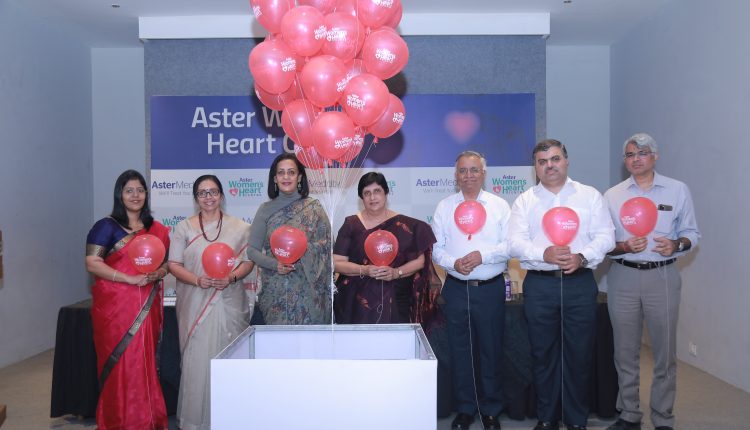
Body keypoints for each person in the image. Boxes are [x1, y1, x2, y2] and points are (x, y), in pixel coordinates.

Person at [507, 140, 615, 430]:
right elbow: (514, 242)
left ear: (566, 161)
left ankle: (576, 420)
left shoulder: (589, 196)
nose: (549, 165)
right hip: (540, 286)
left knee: (579, 355)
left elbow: (606, 237)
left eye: (555, 159)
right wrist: (543, 253)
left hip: (579, 284)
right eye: (542, 161)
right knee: (543, 354)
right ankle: (547, 418)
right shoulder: (525, 201)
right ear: (535, 167)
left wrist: (583, 256)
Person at [603, 133, 700, 430]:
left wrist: (676, 244)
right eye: (630, 154)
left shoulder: (677, 190)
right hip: (623, 276)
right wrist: (622, 246)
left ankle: (663, 416)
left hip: (663, 276)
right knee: (624, 352)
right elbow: (603, 243)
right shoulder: (612, 195)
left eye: (643, 153)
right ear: (625, 160)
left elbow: (692, 234)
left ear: (655, 156)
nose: (636, 159)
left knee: (664, 353)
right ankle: (629, 413)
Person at [167, 174, 255, 430]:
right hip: (195, 302)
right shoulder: (184, 228)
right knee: (197, 363)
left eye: (213, 191)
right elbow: (174, 264)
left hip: (229, 301)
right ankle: (196, 421)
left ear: (222, 195)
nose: (208, 197)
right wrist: (197, 280)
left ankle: (231, 419)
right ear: (196, 198)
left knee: (229, 361)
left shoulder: (240, 228)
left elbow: (248, 262)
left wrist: (231, 277)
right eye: (203, 193)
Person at [84, 170, 170, 430]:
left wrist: (158, 273)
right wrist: (127, 278)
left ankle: (148, 420)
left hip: (147, 306)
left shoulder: (156, 229)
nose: (135, 195)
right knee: (122, 363)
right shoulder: (106, 226)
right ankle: (119, 422)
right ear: (119, 194)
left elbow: (166, 265)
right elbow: (92, 263)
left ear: (146, 194)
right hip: (116, 310)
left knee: (144, 362)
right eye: (129, 190)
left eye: (140, 190)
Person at [431, 151, 511, 430]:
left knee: (491, 350)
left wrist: (482, 256)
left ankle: (491, 410)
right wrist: (453, 263)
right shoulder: (444, 207)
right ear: (456, 175)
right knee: (460, 350)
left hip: (489, 288)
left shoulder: (499, 206)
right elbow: (436, 249)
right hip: (455, 288)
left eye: (474, 170)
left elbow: (509, 245)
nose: (468, 176)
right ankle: (465, 409)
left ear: (484, 173)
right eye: (463, 171)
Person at [333, 172, 438, 325]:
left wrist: (396, 272)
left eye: (377, 191)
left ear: (386, 193)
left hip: (396, 301)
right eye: (367, 193)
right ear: (361, 198)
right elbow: (337, 262)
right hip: (356, 303)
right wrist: (364, 270)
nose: (372, 197)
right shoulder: (351, 225)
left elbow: (421, 261)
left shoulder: (406, 225)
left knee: (395, 340)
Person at [247, 152, 332, 324]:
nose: (286, 177)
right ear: (275, 178)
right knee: (280, 340)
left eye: (291, 172)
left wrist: (303, 250)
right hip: (276, 291)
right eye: (281, 173)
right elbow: (252, 251)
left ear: (299, 177)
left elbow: (327, 246)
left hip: (310, 294)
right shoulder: (265, 209)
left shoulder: (314, 208)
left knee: (310, 341)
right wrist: (276, 265)